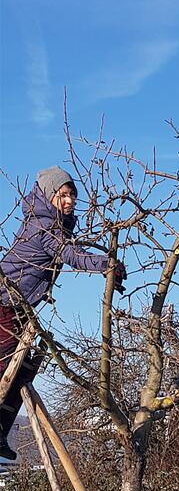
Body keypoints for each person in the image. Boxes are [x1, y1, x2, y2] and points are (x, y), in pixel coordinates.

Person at [0, 166, 126, 460]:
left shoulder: (50, 224)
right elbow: (69, 255)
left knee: (23, 369)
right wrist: (107, 264)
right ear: (48, 195)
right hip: (5, 303)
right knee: (5, 367)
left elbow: (69, 250)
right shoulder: (45, 227)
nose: (69, 201)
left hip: (17, 307)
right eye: (63, 195)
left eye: (72, 195)